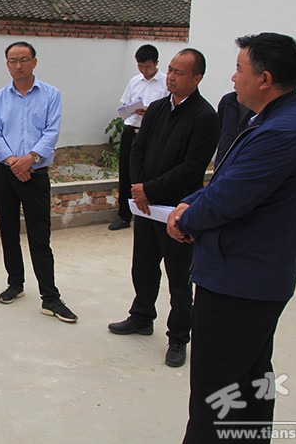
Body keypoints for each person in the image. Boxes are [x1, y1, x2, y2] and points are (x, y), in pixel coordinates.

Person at [168, 33, 296, 442]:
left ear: (264, 79)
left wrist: (185, 220)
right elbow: (227, 181)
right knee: (249, 386)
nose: (233, 77)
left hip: (239, 282)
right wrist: (188, 203)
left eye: (239, 69)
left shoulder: (281, 132)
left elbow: (228, 199)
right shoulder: (271, 121)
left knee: (216, 397)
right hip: (251, 278)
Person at [107, 49, 218, 368]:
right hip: (146, 207)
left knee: (180, 278)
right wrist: (139, 187)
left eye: (179, 72)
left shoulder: (205, 117)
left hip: (178, 210)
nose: (170, 77)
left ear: (197, 78)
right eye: (170, 70)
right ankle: (141, 316)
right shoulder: (156, 109)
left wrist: (149, 189)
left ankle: (179, 337)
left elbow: (192, 167)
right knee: (143, 267)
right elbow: (137, 150)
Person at [0, 41, 78, 323]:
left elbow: (52, 131)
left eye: (24, 60)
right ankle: (15, 282)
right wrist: (14, 162)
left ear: (34, 62)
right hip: (5, 173)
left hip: (35, 173)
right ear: (7, 65)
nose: (18, 65)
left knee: (40, 237)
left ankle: (50, 297)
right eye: (12, 61)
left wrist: (30, 159)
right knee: (8, 230)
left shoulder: (51, 94)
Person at [109, 44, 169, 231]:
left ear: (156, 63)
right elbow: (124, 108)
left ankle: (151, 213)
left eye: (147, 67)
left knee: (150, 172)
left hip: (152, 133)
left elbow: (169, 110)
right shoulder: (134, 81)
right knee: (126, 173)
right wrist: (133, 109)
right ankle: (124, 215)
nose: (144, 70)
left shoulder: (166, 83)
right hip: (131, 130)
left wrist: (151, 111)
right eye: (140, 66)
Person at [213, 91, 254, 169]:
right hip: (222, 162)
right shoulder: (227, 100)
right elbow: (220, 129)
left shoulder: (263, 105)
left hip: (247, 164)